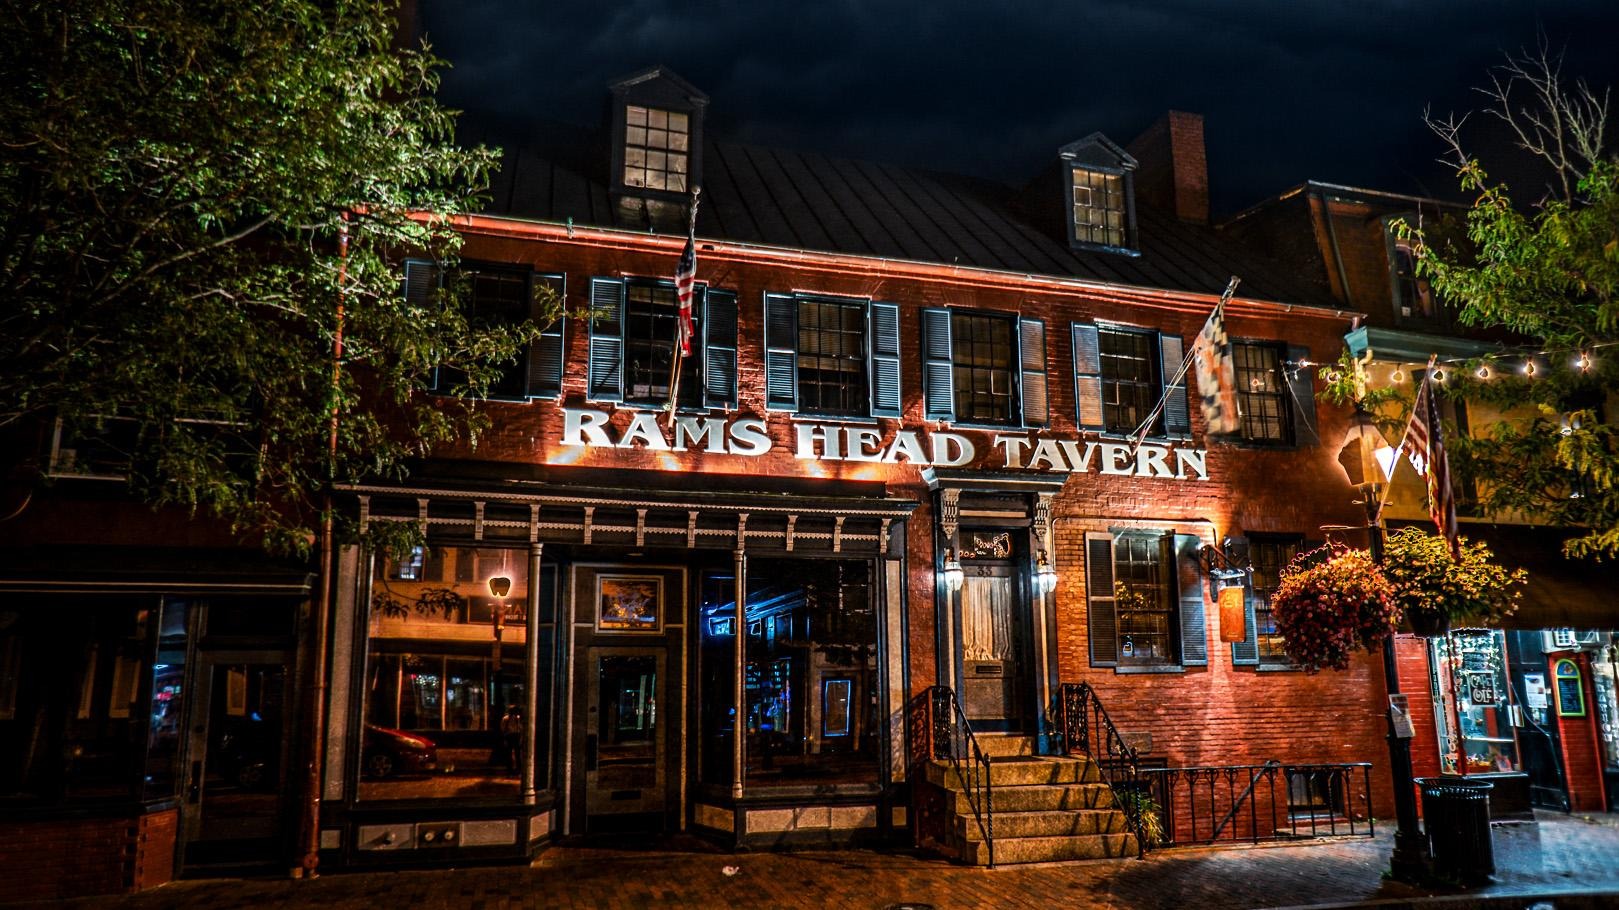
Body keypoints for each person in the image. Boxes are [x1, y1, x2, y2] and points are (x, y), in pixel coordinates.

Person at [500, 705, 522, 772]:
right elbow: (503, 728)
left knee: (517, 753)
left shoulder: (518, 718)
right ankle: (510, 767)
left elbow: (520, 727)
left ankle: (517, 767)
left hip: (516, 735)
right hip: (509, 735)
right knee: (509, 752)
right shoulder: (506, 718)